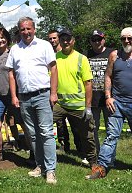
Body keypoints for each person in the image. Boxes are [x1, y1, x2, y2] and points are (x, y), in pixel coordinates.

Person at [87, 27, 132, 179]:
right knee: (111, 135)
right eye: (123, 38)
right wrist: (108, 96)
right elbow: (108, 76)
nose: (126, 41)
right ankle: (101, 167)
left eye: (130, 38)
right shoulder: (114, 56)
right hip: (117, 104)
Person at [6, 17, 58, 185]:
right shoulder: (15, 49)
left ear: (34, 29)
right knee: (33, 135)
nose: (26, 32)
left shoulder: (44, 45)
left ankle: (50, 170)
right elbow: (11, 74)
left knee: (46, 133)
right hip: (24, 97)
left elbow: (54, 69)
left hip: (42, 95)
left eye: (28, 29)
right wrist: (14, 96)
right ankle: (39, 165)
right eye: (22, 29)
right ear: (19, 31)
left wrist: (53, 93)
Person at [54, 29, 97, 173]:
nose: (65, 42)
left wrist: (88, 107)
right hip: (60, 104)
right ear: (59, 41)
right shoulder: (55, 58)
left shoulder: (81, 58)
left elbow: (88, 83)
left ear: (73, 41)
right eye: (63, 39)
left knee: (87, 135)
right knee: (44, 125)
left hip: (79, 106)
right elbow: (51, 79)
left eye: (68, 39)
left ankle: (93, 162)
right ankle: (41, 159)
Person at [0, 27, 27, 161]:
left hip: (14, 95)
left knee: (24, 124)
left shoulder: (13, 53)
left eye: (2, 37)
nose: (0, 40)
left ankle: (32, 150)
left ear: (7, 38)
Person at [48, 29, 82, 154]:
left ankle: (80, 148)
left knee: (76, 126)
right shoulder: (51, 55)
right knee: (59, 124)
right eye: (50, 38)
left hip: (74, 100)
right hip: (57, 98)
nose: (52, 40)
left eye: (54, 38)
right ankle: (63, 144)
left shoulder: (73, 55)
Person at [86, 30, 113, 153]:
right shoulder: (86, 55)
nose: (97, 42)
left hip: (109, 98)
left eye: (99, 39)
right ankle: (96, 153)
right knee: (93, 128)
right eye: (94, 39)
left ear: (104, 39)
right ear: (91, 41)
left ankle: (109, 154)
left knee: (111, 129)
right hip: (93, 99)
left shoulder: (112, 53)